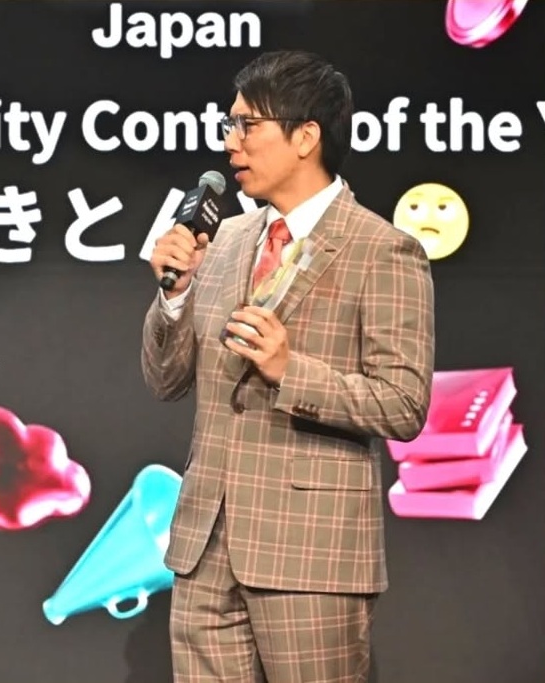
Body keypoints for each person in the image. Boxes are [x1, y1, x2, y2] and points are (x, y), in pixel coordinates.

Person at [142, 51, 435, 683]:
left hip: (310, 552)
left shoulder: (383, 250)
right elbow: (166, 380)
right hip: (204, 546)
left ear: (306, 137)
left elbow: (404, 404)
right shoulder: (224, 240)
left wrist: (288, 369)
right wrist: (174, 299)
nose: (231, 142)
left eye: (247, 125)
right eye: (229, 124)